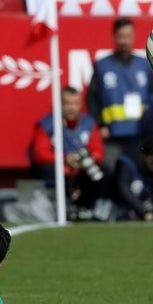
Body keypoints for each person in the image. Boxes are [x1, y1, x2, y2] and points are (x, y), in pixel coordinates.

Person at [86, 17, 153, 167]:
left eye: (128, 36)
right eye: (121, 36)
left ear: (134, 37)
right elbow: (92, 99)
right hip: (112, 135)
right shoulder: (102, 66)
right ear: (114, 37)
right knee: (112, 174)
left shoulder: (144, 65)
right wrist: (100, 125)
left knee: (138, 176)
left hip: (140, 134)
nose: (124, 41)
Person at [30, 86, 105, 218]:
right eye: (67, 103)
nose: (71, 108)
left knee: (101, 170)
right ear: (60, 104)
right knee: (49, 169)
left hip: (82, 169)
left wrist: (84, 161)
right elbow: (40, 154)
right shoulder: (48, 124)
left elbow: (98, 151)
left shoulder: (88, 123)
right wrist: (64, 159)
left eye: (75, 103)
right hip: (60, 168)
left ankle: (89, 207)